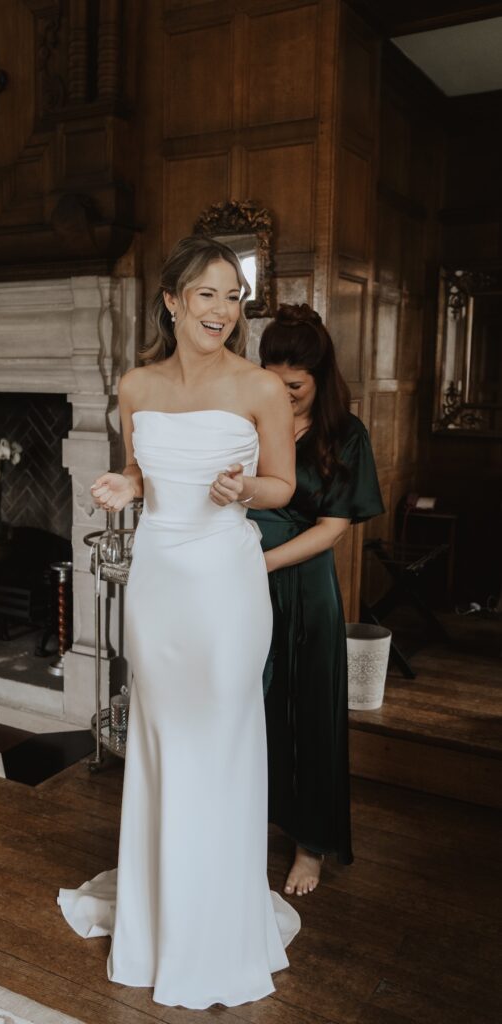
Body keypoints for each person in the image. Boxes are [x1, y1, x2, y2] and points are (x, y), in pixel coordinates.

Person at [58, 236, 301, 1009]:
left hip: (226, 588)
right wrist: (121, 488)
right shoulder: (135, 385)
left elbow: (282, 487)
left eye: (233, 297)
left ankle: (218, 926)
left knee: (220, 742)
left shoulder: (260, 387)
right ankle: (160, 921)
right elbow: (140, 472)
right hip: (158, 584)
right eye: (206, 294)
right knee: (162, 743)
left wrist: (244, 492)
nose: (222, 311)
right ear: (171, 301)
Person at [248, 303, 384, 897]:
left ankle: (312, 845)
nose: (283, 394)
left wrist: (261, 564)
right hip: (243, 580)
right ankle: (257, 816)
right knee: (257, 705)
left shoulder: (344, 435)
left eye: (295, 386)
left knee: (311, 713)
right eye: (272, 382)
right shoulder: (250, 421)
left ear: (321, 378)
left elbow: (333, 527)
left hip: (302, 585)